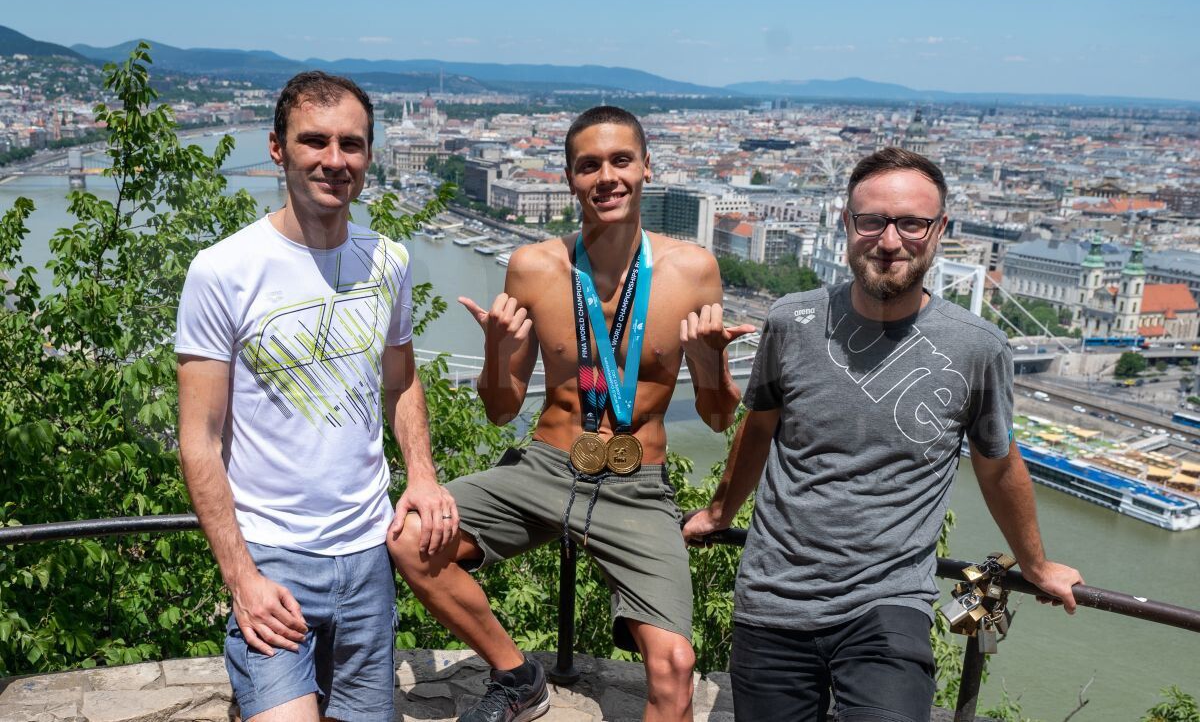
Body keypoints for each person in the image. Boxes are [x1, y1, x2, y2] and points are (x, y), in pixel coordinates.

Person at [683, 147, 1084, 722]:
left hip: (888, 603)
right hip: (773, 598)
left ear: (940, 230)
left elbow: (997, 466)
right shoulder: (789, 321)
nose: (890, 241)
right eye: (872, 220)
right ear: (847, 225)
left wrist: (1036, 565)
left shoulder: (977, 348)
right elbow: (760, 426)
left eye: (912, 223)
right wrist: (720, 512)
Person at [389, 106, 751, 722]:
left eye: (620, 161)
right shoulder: (533, 266)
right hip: (546, 467)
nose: (606, 177)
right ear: (569, 178)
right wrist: (498, 346)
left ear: (646, 168)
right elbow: (502, 412)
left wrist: (708, 363)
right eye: (589, 166)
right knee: (411, 540)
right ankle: (518, 676)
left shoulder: (694, 270)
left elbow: (718, 419)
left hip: (637, 487)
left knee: (675, 669)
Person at [176, 71, 452, 722]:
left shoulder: (389, 259)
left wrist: (424, 475)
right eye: (315, 141)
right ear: (277, 148)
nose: (335, 161)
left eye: (351, 144)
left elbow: (402, 379)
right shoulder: (222, 271)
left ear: (369, 154)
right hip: (272, 555)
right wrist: (241, 577)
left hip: (367, 553)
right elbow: (198, 440)